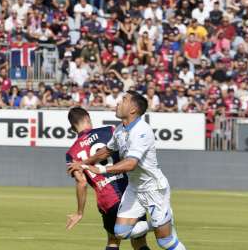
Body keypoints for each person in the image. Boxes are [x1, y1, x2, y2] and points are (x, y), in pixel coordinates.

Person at [68, 91, 186, 250]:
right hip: (134, 188)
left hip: (154, 188)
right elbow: (106, 151)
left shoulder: (141, 131)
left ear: (132, 110)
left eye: (123, 100)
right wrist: (82, 163)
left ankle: (163, 222)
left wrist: (100, 169)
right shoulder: (118, 130)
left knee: (165, 242)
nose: (118, 102)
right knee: (121, 232)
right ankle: (158, 223)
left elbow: (130, 164)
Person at [65, 107, 150, 250]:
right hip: (129, 194)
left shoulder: (71, 153)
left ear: (73, 127)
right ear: (87, 118)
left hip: (107, 200)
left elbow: (82, 183)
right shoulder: (109, 130)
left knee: (113, 240)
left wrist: (80, 212)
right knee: (139, 241)